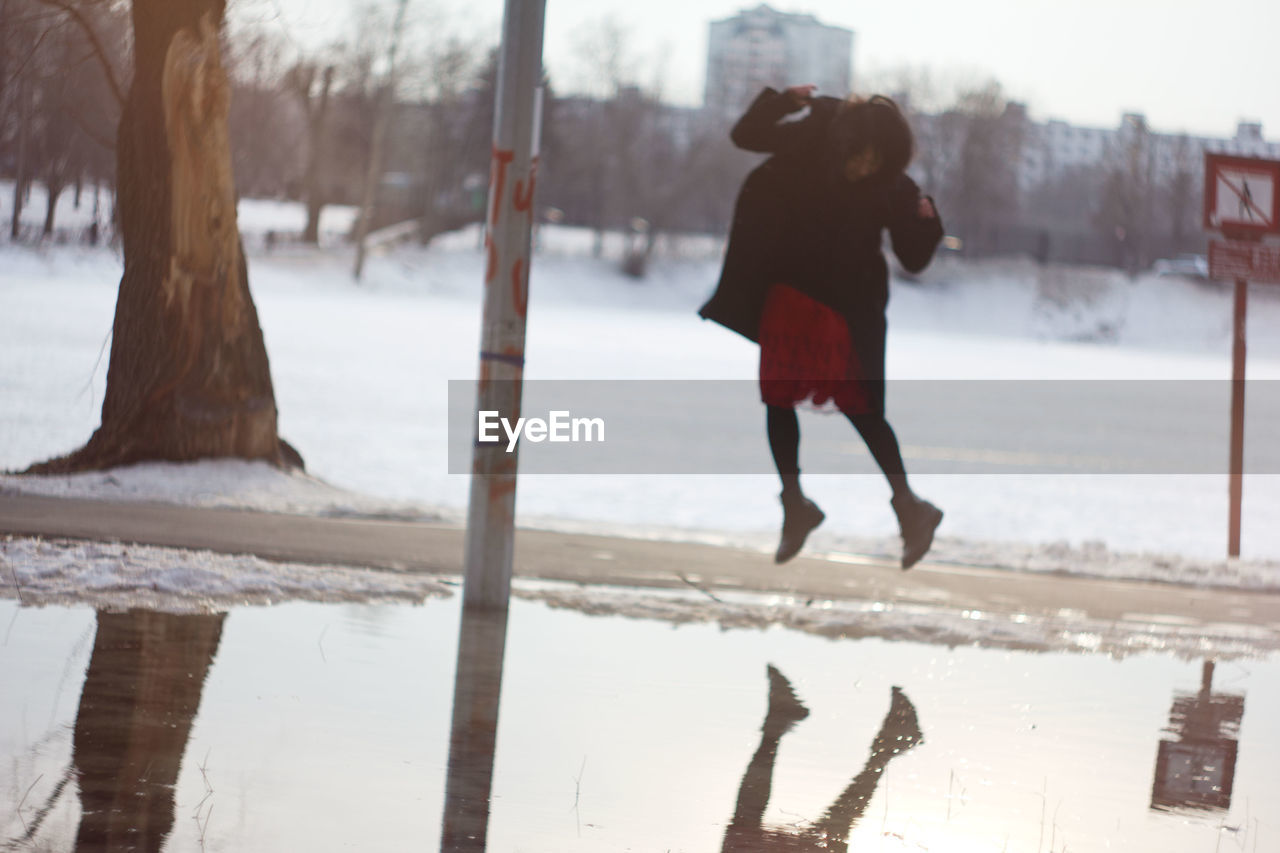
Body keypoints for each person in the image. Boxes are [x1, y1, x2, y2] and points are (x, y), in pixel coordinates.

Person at [699, 84, 945, 568]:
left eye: (877, 162)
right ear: (846, 141)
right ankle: (796, 507)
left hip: (845, 311)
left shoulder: (895, 184)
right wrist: (781, 103)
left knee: (864, 409)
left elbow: (913, 259)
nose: (865, 169)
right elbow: (745, 135)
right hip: (789, 296)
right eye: (860, 156)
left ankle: (911, 510)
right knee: (777, 399)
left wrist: (929, 223)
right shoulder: (810, 140)